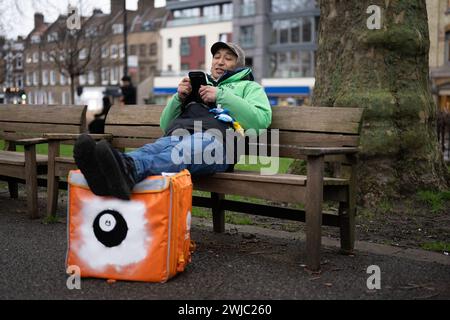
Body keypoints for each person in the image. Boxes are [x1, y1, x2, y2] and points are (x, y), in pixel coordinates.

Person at [74, 42, 272, 200]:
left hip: (219, 143)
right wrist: (179, 98)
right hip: (179, 135)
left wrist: (221, 96)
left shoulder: (249, 87)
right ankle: (105, 174)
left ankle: (125, 170)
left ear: (238, 66)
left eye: (228, 58)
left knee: (181, 152)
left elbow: (261, 121)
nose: (220, 62)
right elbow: (165, 126)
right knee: (152, 149)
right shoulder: (200, 87)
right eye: (216, 57)